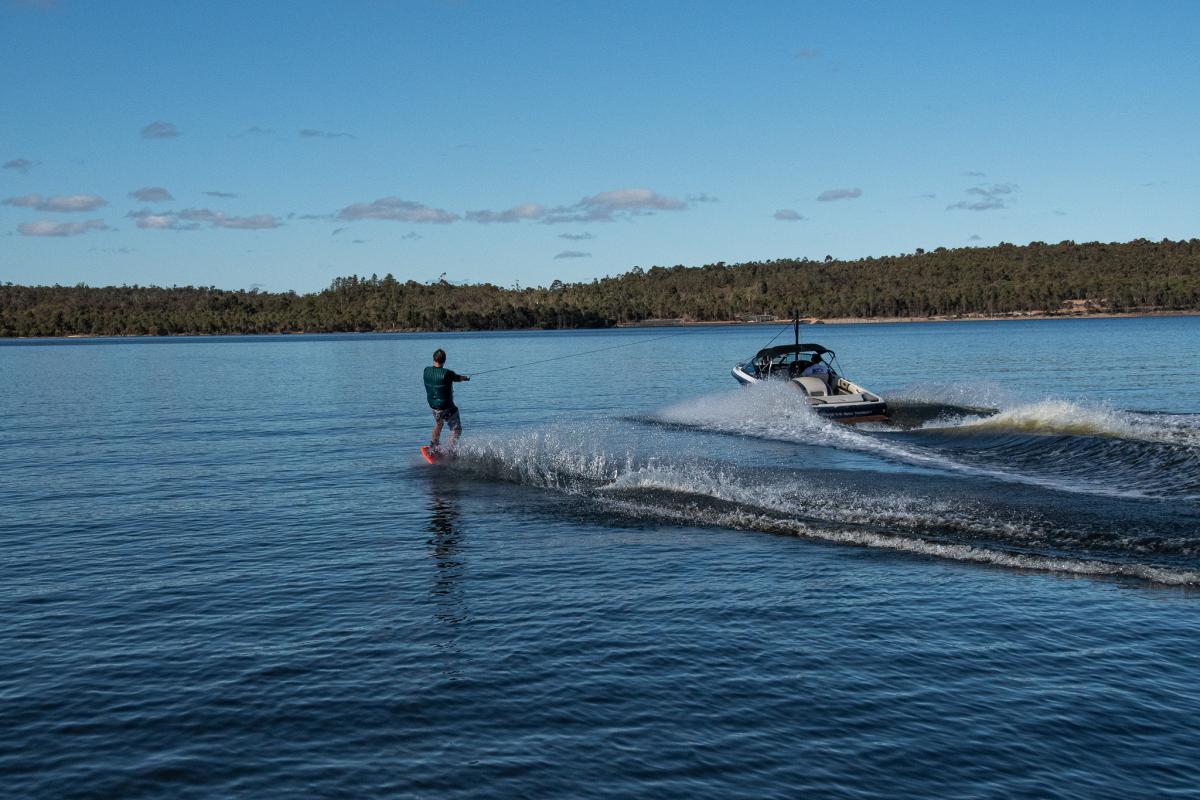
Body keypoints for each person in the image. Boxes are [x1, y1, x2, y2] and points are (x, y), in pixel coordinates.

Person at [424, 348, 470, 451]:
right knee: (456, 430)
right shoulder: (447, 373)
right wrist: (466, 378)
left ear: (433, 359)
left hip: (434, 407)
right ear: (444, 360)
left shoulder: (426, 371)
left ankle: (434, 445)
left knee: (439, 423)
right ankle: (448, 450)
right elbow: (457, 378)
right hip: (447, 407)